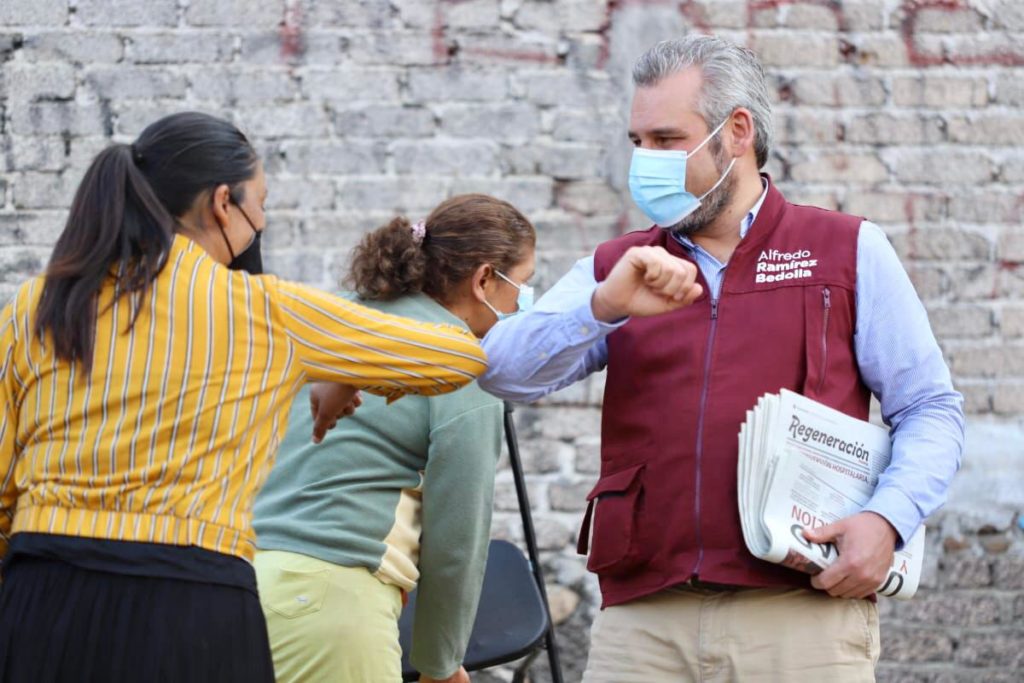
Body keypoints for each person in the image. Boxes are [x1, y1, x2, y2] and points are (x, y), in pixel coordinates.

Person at [475, 36, 965, 681]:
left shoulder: (846, 250)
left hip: (799, 615)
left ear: (737, 132)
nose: (644, 160)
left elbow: (930, 408)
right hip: (644, 622)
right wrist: (601, 306)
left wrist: (887, 519)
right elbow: (499, 371)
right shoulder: (618, 267)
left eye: (666, 139)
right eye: (637, 141)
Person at [0, 112, 488, 683]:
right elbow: (459, 357)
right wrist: (350, 373)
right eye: (261, 201)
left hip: (44, 594)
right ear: (222, 204)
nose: (262, 220)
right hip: (191, 604)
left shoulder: (40, 304)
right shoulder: (265, 311)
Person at [251, 194, 536, 683]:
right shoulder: (458, 365)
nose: (523, 304)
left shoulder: (339, 315)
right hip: (332, 601)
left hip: (242, 581)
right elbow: (457, 542)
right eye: (523, 286)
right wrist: (440, 664)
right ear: (485, 279)